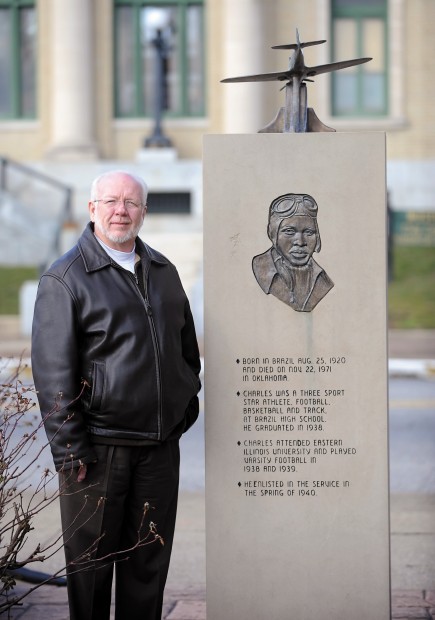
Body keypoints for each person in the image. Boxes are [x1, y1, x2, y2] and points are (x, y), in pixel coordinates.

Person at [31, 170, 201, 620]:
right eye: (110, 202)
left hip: (159, 450)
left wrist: (184, 408)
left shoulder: (164, 271)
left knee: (148, 567)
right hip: (96, 455)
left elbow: (186, 351)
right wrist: (71, 451)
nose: (120, 210)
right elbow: (53, 377)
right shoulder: (65, 278)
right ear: (92, 209)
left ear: (144, 211)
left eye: (131, 203)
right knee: (90, 574)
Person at [252, 192, 334, 312]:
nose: (300, 242)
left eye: (309, 232)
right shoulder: (261, 268)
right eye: (289, 231)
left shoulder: (322, 280)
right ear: (272, 233)